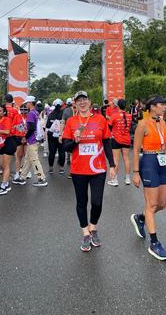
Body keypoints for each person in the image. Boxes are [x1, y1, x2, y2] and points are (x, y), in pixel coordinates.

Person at [62, 91, 116, 252]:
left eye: (84, 99)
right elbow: (66, 147)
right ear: (75, 104)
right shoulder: (71, 122)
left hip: (98, 168)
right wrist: (75, 140)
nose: (82, 102)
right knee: (81, 202)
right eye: (79, 100)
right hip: (79, 169)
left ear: (90, 102)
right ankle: (85, 233)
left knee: (97, 202)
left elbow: (107, 143)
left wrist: (112, 164)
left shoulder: (100, 119)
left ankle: (93, 227)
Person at [130, 95, 166, 261]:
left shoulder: (162, 122)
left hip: (161, 162)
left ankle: (140, 218)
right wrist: (135, 172)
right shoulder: (142, 124)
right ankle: (154, 243)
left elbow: (164, 146)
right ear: (152, 107)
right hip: (148, 162)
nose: (165, 107)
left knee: (162, 204)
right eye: (162, 104)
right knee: (151, 205)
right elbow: (136, 150)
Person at [14, 96, 49, 187]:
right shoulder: (36, 112)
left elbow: (32, 128)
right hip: (35, 138)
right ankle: (22, 177)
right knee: (27, 160)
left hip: (32, 139)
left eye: (26, 103)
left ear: (30, 103)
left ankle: (41, 178)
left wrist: (25, 137)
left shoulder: (30, 113)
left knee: (34, 159)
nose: (26, 105)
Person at [108, 99, 133, 186]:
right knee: (126, 158)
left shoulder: (114, 116)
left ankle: (115, 180)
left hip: (116, 139)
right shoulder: (129, 116)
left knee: (116, 159)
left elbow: (109, 126)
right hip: (126, 139)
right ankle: (128, 179)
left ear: (117, 106)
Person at [3, 93, 26, 180]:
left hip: (4, 135)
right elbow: (16, 124)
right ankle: (17, 172)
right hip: (14, 136)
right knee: (17, 156)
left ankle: (6, 173)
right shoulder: (15, 112)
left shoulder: (2, 109)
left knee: (5, 156)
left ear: (5, 100)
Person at [46, 99, 66, 174]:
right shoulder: (63, 114)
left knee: (52, 152)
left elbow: (47, 125)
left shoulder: (51, 114)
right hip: (61, 135)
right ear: (61, 105)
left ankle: (51, 168)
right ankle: (61, 168)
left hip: (51, 136)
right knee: (62, 152)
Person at [60, 97, 75, 169]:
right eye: (73, 100)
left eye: (75, 100)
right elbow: (63, 122)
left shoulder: (82, 110)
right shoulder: (66, 110)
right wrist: (60, 134)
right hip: (69, 133)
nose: (74, 102)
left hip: (80, 134)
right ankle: (72, 168)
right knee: (70, 150)